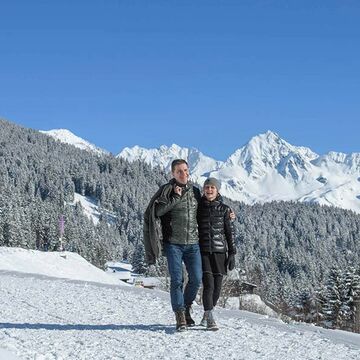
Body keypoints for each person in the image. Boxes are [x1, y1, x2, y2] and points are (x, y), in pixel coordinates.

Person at [143, 159, 202, 331]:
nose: (183, 174)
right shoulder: (167, 190)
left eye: (185, 170)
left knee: (197, 279)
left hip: (193, 243)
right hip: (173, 244)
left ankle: (186, 307)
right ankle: (180, 315)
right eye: (179, 171)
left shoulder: (195, 191)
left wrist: (226, 212)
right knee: (177, 280)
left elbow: (205, 211)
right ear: (173, 174)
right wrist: (175, 198)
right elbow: (158, 212)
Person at [197, 177, 236, 331]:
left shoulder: (225, 209)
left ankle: (207, 313)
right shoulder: (198, 208)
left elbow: (229, 232)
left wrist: (232, 253)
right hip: (203, 251)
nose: (210, 190)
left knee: (217, 288)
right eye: (207, 187)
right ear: (203, 190)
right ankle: (211, 317)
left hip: (220, 252)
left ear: (217, 190)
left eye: (212, 187)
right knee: (208, 284)